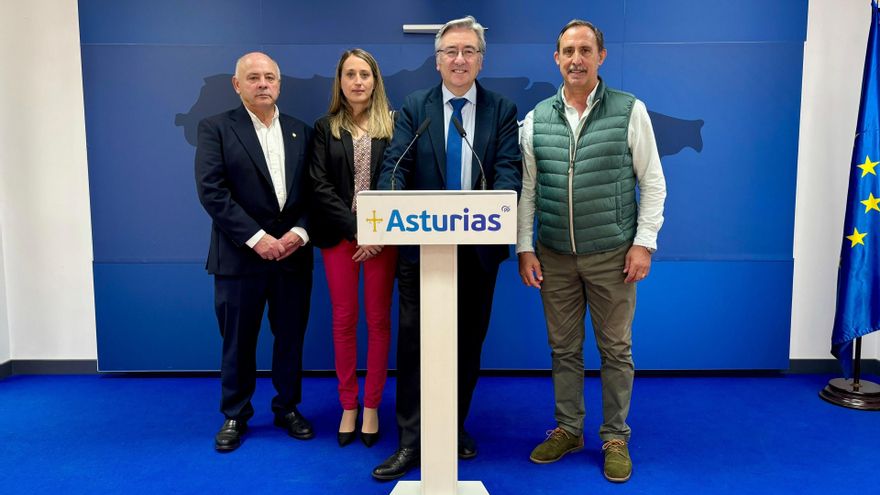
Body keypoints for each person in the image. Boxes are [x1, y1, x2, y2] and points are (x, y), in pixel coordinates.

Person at [371, 15, 523, 481]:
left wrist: (499, 205)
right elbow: (395, 165)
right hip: (421, 251)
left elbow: (509, 170)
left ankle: (452, 426)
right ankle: (411, 439)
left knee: (467, 344)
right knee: (414, 345)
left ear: (481, 60)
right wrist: (391, 201)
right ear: (437, 61)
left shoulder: (501, 109)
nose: (460, 59)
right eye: (451, 52)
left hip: (477, 252)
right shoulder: (415, 106)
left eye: (468, 51)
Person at [517, 19, 667, 483]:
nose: (576, 59)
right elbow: (527, 190)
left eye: (585, 50)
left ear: (601, 56)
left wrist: (643, 243)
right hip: (554, 254)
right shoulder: (536, 118)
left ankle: (615, 436)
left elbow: (653, 182)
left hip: (612, 256)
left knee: (615, 349)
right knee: (563, 349)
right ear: (556, 59)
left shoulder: (629, 110)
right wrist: (524, 248)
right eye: (568, 51)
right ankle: (568, 429)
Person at [195, 52, 315, 452]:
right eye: (253, 78)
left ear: (279, 84)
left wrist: (299, 233)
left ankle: (288, 408)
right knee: (238, 342)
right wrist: (257, 238)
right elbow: (212, 191)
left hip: (292, 257)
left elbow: (315, 191)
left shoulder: (302, 131)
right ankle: (235, 414)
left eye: (269, 77)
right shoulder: (215, 128)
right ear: (237, 85)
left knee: (290, 339)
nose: (262, 84)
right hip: (239, 257)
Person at [309, 48, 397, 448]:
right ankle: (348, 403)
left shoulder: (393, 126)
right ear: (340, 82)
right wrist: (357, 231)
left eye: (365, 74)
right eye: (350, 74)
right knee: (344, 320)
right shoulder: (324, 128)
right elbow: (319, 185)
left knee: (378, 321)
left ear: (375, 81)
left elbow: (398, 179)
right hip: (341, 237)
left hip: (383, 240)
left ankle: (372, 403)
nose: (358, 81)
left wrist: (376, 234)